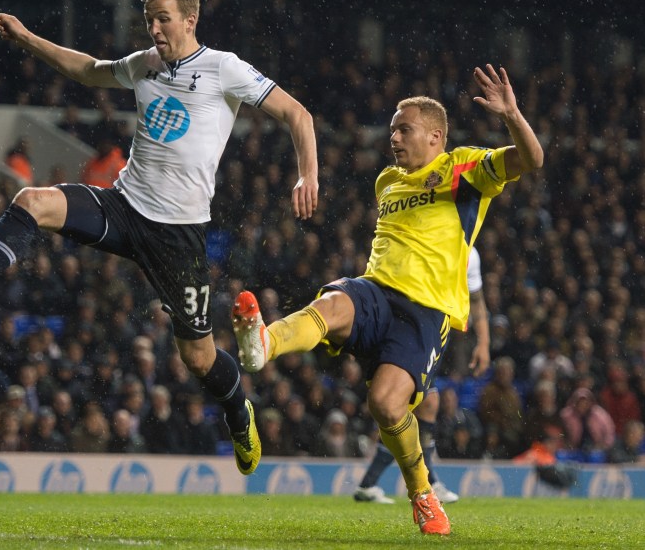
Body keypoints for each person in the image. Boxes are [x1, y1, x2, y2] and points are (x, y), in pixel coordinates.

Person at [0, 0, 318, 475]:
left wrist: (307, 174)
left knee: (199, 359)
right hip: (124, 206)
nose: (154, 28)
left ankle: (237, 410)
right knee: (33, 201)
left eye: (163, 18)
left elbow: (297, 113)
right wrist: (28, 38)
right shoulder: (145, 65)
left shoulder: (223, 68)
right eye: (149, 19)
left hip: (178, 234)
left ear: (190, 20)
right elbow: (90, 70)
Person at [232, 65, 543, 536]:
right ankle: (262, 344)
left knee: (385, 404)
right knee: (334, 301)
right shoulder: (386, 182)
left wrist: (512, 115)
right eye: (393, 128)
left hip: (425, 311)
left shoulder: (463, 169)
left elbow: (532, 159)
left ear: (436, 137)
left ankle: (422, 494)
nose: (393, 137)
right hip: (376, 290)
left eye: (405, 129)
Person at [354, 246, 490, 504]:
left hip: (436, 335)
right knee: (419, 403)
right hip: (409, 329)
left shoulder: (470, 254)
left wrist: (483, 342)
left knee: (423, 404)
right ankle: (426, 484)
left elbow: (477, 300)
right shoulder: (426, 238)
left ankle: (371, 483)